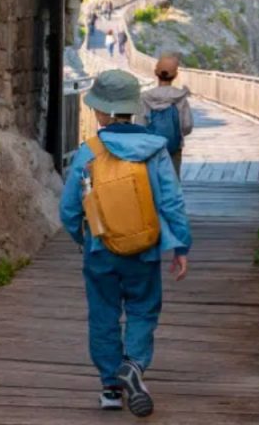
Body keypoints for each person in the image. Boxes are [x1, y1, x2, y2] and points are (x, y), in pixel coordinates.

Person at [59, 69, 192, 417]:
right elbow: (172, 202)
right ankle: (133, 365)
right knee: (142, 309)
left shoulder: (89, 153)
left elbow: (70, 208)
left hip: (101, 248)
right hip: (144, 249)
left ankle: (109, 387)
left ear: (100, 112)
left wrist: (81, 238)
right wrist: (181, 247)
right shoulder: (155, 150)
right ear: (132, 109)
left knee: (103, 313)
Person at [136, 55, 194, 177]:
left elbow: (139, 124)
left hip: (151, 149)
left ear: (156, 72)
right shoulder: (180, 98)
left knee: (152, 180)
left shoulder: (145, 97)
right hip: (174, 148)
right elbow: (187, 125)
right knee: (173, 180)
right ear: (175, 75)